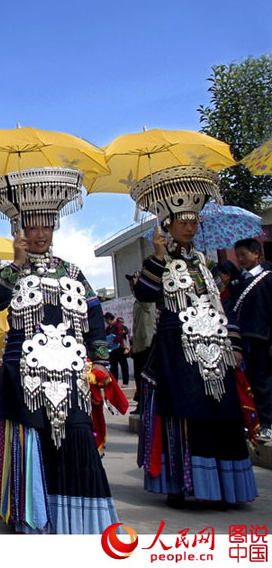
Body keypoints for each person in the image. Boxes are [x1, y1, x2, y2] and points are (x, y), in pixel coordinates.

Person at [0, 166, 118, 534]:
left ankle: (79, 517)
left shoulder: (72, 272)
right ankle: (33, 516)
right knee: (32, 440)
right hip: (23, 373)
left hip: (69, 372)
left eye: (47, 226)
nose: (40, 234)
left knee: (76, 436)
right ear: (19, 231)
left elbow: (94, 316)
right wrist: (16, 264)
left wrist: (100, 360)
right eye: (32, 227)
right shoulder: (9, 273)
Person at [132, 166, 257, 508]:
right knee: (184, 412)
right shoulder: (159, 261)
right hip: (177, 350)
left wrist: (233, 344)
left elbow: (223, 306)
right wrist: (159, 257)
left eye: (193, 221)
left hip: (215, 349)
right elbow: (144, 294)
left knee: (222, 413)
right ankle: (183, 484)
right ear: (167, 225)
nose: (189, 227)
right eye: (182, 221)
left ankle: (223, 487)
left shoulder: (204, 264)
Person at [232, 237, 272, 443]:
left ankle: (267, 423)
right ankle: (251, 422)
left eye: (243, 254)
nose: (240, 259)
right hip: (242, 339)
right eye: (237, 255)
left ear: (256, 254)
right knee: (247, 382)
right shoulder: (238, 281)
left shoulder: (268, 278)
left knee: (263, 381)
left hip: (262, 337)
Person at [126, 272, 156, 412]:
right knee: (139, 377)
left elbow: (143, 297)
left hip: (147, 344)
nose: (132, 286)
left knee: (145, 378)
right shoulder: (137, 302)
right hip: (138, 345)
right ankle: (141, 405)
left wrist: (139, 285)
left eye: (134, 283)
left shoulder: (147, 300)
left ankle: (147, 405)